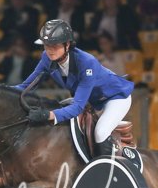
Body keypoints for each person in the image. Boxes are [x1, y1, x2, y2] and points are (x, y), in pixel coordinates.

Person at [16, 20, 134, 158]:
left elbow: (77, 107)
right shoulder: (47, 58)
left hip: (116, 98)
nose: (49, 50)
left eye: (54, 45)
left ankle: (108, 168)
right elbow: (26, 86)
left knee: (100, 132)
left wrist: (47, 115)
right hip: (91, 101)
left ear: (67, 45)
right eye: (46, 45)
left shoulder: (86, 62)